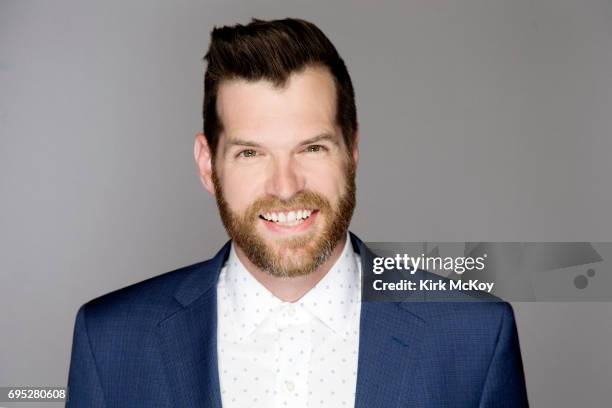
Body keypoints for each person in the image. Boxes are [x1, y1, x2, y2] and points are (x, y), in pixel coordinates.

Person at [66, 18, 528, 407]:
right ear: (208, 165)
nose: (285, 186)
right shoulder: (109, 341)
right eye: (251, 153)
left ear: (352, 150)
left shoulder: (475, 337)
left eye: (311, 147)